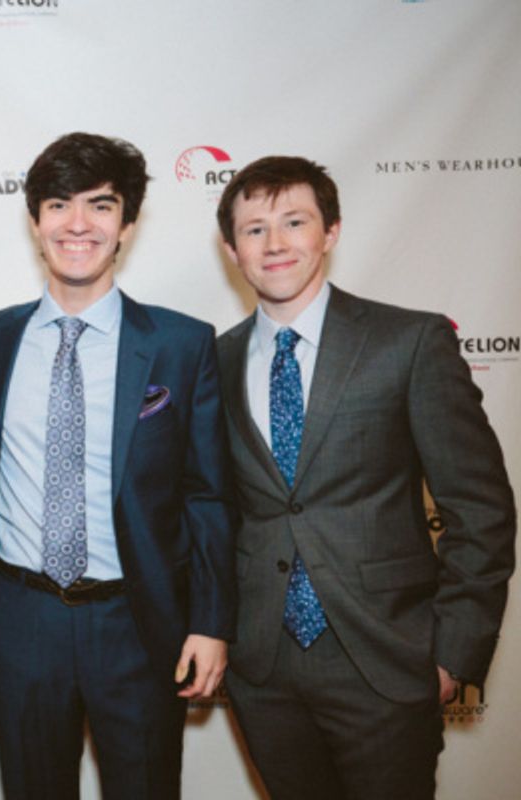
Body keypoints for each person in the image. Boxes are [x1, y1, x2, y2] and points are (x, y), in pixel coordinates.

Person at [215, 155, 516, 799]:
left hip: (387, 660)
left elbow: (480, 507)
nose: (275, 243)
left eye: (295, 221)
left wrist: (451, 653)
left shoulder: (408, 342)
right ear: (231, 248)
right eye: (255, 229)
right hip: (263, 668)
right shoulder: (213, 362)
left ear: (332, 231)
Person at [0, 132, 235, 799]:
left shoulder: (181, 344)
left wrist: (209, 621)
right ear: (35, 222)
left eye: (100, 204)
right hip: (22, 620)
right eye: (59, 204)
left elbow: (207, 494)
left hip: (137, 623)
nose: (79, 224)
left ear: (127, 223)